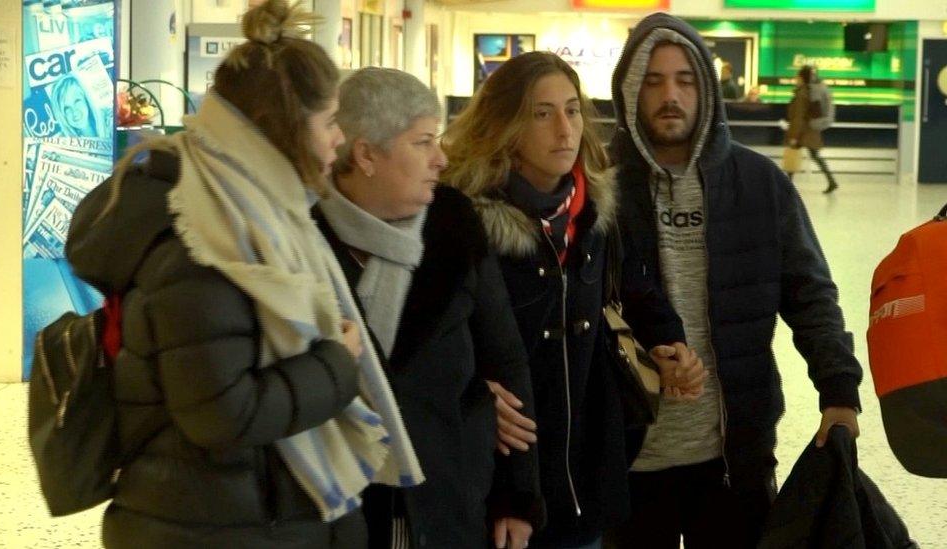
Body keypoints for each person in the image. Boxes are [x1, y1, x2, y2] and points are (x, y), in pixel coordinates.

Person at [64, 2, 424, 547]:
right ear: (283, 130)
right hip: (211, 525)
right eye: (329, 123)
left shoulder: (265, 220)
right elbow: (222, 415)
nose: (338, 141)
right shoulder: (204, 242)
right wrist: (336, 362)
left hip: (249, 515)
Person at [607, 13, 863, 548]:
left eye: (684, 79)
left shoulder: (759, 184)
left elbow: (810, 292)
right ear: (629, 89)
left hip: (733, 452)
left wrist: (838, 389)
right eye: (652, 81)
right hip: (625, 453)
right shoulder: (599, 188)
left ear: (706, 88)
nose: (669, 95)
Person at [442, 51, 705, 549]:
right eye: (542, 114)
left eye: (572, 110)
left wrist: (670, 343)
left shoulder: (597, 213)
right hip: (496, 480)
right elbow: (428, 344)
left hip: (584, 478)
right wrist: (471, 395)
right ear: (507, 124)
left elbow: (634, 288)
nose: (565, 129)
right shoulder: (463, 221)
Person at [314, 67, 543, 549]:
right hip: (339, 507)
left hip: (449, 498)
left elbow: (506, 359)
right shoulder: (305, 237)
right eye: (423, 142)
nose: (441, 159)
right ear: (366, 155)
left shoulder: (453, 222)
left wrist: (516, 495)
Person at [786, 64, 839, 193]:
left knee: (793, 154)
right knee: (814, 155)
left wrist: (794, 135)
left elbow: (798, 116)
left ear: (802, 78)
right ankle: (831, 181)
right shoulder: (810, 91)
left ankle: (787, 185)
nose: (795, 79)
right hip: (811, 129)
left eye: (797, 77)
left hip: (803, 131)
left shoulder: (802, 93)